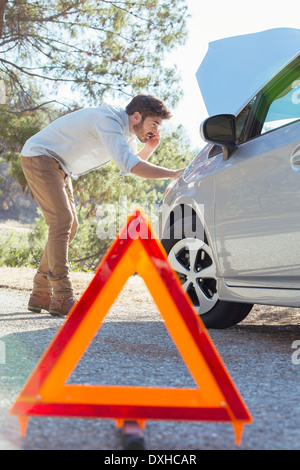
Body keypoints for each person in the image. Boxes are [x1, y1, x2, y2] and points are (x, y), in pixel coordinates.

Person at [21, 94, 185, 317]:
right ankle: (62, 296)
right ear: (137, 116)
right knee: (62, 221)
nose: (156, 130)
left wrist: (150, 147)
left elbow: (128, 163)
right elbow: (130, 165)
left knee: (70, 226)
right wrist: (174, 174)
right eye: (154, 123)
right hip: (41, 156)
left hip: (59, 166)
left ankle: (40, 292)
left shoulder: (124, 129)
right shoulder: (109, 121)